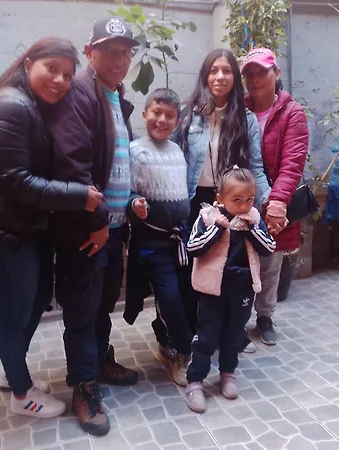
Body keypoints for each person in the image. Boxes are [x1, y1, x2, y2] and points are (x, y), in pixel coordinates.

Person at [0, 38, 103, 419]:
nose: (60, 81)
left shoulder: (31, 104)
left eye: (68, 75)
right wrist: (79, 195)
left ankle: (13, 371)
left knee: (36, 301)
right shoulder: (11, 105)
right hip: (5, 231)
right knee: (15, 314)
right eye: (51, 69)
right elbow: (15, 181)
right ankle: (22, 394)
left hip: (22, 228)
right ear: (28, 65)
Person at [45, 17, 139, 435]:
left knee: (102, 303)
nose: (120, 59)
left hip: (112, 227)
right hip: (87, 230)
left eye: (126, 52)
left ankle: (99, 361)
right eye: (110, 51)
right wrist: (98, 221)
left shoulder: (114, 95)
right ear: (90, 53)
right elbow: (73, 166)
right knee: (83, 309)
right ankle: (83, 387)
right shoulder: (80, 93)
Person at [174, 48, 270, 345]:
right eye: (214, 70)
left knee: (230, 269)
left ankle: (231, 333)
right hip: (194, 199)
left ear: (234, 78)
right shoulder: (188, 114)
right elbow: (175, 158)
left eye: (226, 71)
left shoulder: (246, 119)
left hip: (231, 203)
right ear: (205, 75)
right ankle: (197, 332)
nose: (220, 76)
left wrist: (268, 202)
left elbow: (255, 166)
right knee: (194, 266)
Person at [184, 167, 276, 413]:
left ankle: (227, 373)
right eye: (237, 200)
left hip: (242, 289)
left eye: (249, 199)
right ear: (220, 198)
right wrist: (217, 228)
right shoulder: (207, 217)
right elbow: (192, 247)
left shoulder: (253, 218)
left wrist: (253, 229)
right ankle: (194, 381)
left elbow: (269, 248)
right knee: (206, 336)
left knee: (234, 334)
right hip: (212, 291)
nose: (244, 206)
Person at [241, 47, 309, 346]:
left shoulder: (291, 113)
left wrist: (277, 202)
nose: (255, 79)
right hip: (238, 200)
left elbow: (292, 162)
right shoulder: (237, 108)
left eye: (262, 72)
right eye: (250, 74)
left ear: (276, 73)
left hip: (272, 201)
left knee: (270, 262)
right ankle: (237, 319)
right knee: (239, 263)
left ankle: (265, 316)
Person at [127, 88, 193, 386]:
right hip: (152, 243)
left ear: (177, 121)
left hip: (179, 241)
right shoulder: (135, 151)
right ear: (144, 114)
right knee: (169, 296)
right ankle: (185, 353)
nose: (162, 120)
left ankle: (168, 340)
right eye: (157, 112)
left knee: (185, 294)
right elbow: (126, 190)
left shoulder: (177, 151)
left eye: (169, 115)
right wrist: (134, 204)